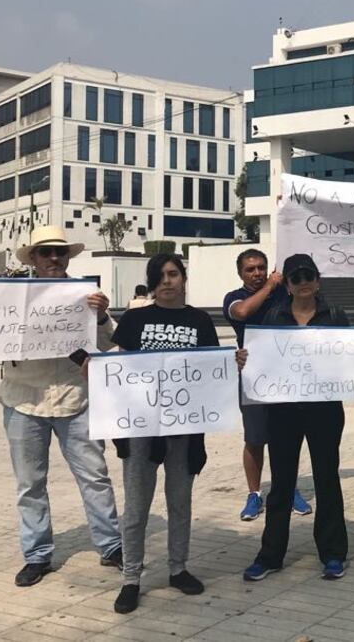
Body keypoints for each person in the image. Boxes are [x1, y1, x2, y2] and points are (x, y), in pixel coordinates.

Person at [0, 226, 123, 587]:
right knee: (29, 484)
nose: (54, 258)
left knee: (95, 477)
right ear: (33, 258)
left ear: (69, 257)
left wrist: (101, 316)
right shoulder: (10, 298)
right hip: (23, 398)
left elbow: (109, 342)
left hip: (76, 397)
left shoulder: (86, 295)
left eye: (60, 252)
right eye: (46, 252)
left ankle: (111, 545)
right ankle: (37, 555)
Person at [110, 253, 214, 613]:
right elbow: (117, 365)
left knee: (179, 503)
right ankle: (131, 578)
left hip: (183, 430)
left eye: (173, 274)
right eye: (160, 276)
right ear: (152, 282)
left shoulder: (200, 320)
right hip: (141, 429)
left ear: (184, 277)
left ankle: (178, 568)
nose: (167, 281)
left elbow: (212, 370)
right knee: (136, 507)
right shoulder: (136, 318)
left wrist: (235, 365)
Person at [240, 254, 352, 582]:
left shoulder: (335, 316)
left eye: (308, 275)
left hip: (325, 411)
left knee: (327, 479)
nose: (303, 282)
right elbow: (261, 362)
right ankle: (271, 554)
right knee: (281, 483)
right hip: (284, 412)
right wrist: (246, 359)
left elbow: (351, 359)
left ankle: (333, 553)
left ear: (318, 280)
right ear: (287, 284)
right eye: (295, 277)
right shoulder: (273, 317)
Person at [223, 248, 311, 521]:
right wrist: (272, 285)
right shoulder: (234, 298)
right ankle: (254, 494)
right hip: (253, 378)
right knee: (255, 438)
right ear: (240, 273)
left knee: (287, 436)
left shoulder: (284, 295)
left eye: (261, 267)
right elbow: (243, 312)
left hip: (287, 377)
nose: (257, 273)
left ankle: (288, 488)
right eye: (250, 269)